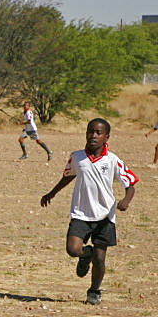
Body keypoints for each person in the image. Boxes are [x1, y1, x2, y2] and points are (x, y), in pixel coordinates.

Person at [41, 118, 137, 305]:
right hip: (80, 213)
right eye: (90, 132)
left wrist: (126, 200)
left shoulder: (112, 160)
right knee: (72, 249)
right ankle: (86, 255)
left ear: (106, 137)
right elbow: (68, 176)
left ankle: (94, 290)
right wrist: (51, 193)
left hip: (105, 216)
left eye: (98, 133)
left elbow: (131, 184)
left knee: (100, 259)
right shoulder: (77, 157)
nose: (93, 136)